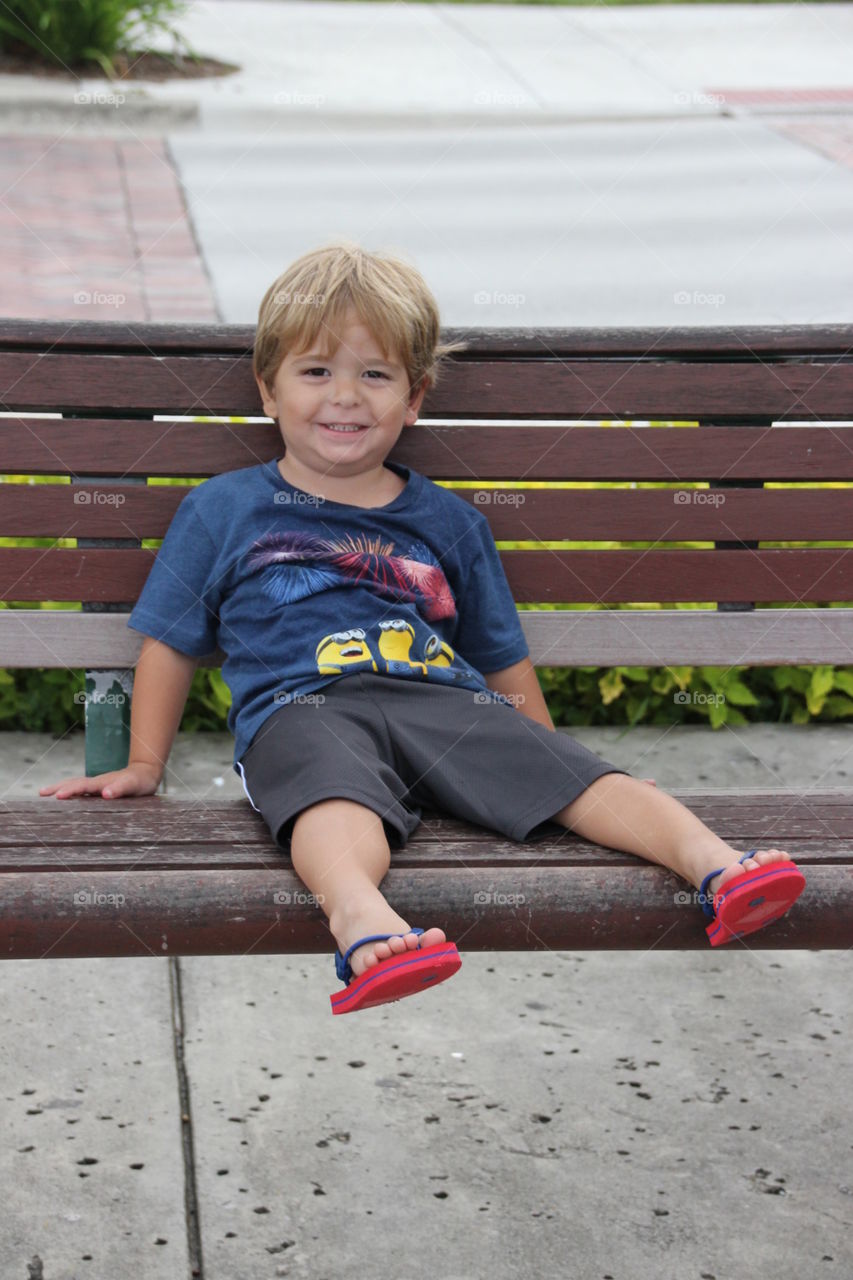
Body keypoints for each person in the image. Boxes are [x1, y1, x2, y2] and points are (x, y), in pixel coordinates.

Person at [39, 242, 805, 1014]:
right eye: (316, 372)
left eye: (374, 374)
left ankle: (719, 868)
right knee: (332, 801)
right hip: (301, 711)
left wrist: (551, 760)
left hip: (441, 702)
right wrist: (144, 763)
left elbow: (498, 655)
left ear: (413, 398)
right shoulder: (223, 509)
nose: (345, 396)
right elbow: (170, 641)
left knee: (595, 786)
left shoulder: (446, 520)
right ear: (267, 390)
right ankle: (360, 920)